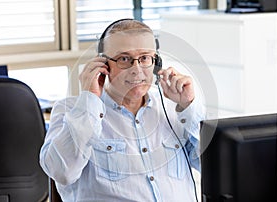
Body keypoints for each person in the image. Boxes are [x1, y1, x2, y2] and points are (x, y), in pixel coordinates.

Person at [40, 19, 205, 202]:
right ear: (103, 64)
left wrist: (188, 107)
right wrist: (90, 100)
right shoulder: (70, 110)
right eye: (124, 59)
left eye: (144, 58)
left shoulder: (173, 108)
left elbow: (212, 168)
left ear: (156, 62)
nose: (136, 70)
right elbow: (62, 173)